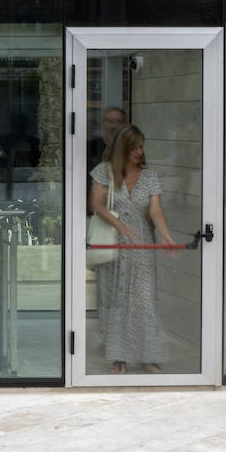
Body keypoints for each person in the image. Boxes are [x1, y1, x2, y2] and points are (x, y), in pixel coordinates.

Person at [88, 125, 176, 374]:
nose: (140, 151)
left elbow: (155, 211)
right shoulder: (103, 173)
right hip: (113, 245)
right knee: (114, 302)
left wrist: (166, 236)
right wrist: (120, 225)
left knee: (145, 301)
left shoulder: (149, 176)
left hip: (141, 246)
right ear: (123, 148)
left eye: (141, 146)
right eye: (135, 146)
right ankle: (119, 358)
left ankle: (149, 357)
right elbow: (97, 205)